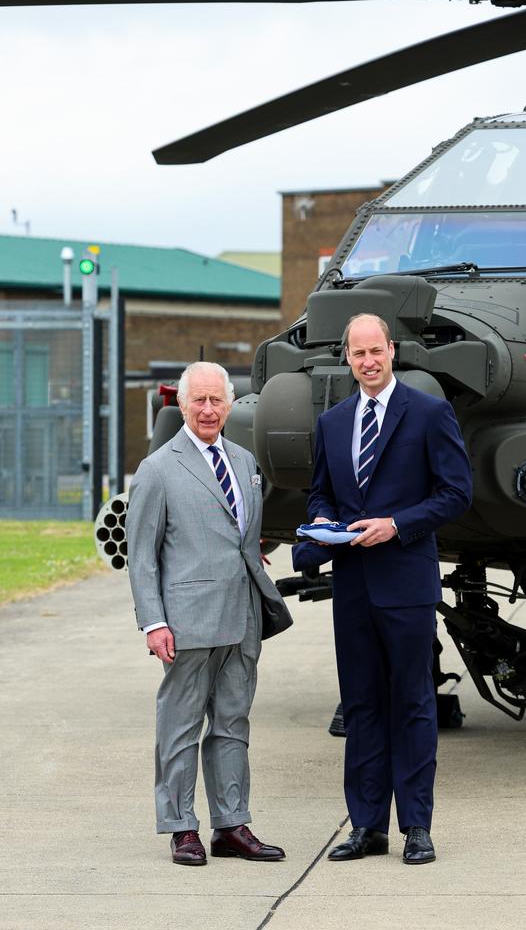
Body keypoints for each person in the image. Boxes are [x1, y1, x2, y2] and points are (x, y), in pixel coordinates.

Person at [308, 313, 472, 864]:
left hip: (405, 584)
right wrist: (323, 524)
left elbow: (456, 493)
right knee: (361, 708)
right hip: (352, 586)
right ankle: (367, 826)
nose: (368, 362)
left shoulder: (429, 413)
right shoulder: (331, 423)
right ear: (347, 358)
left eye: (376, 351)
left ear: (392, 351)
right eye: (358, 354)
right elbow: (320, 497)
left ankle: (417, 828)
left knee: (412, 703)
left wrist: (397, 524)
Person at [126, 361, 292, 866]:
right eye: (197, 400)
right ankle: (180, 827)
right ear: (181, 405)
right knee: (179, 726)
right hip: (187, 621)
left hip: (241, 619)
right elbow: (142, 554)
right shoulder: (158, 468)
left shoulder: (244, 462)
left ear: (230, 403)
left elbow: (241, 535)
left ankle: (232, 825)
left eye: (216, 400)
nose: (207, 409)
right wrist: (153, 622)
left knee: (232, 724)